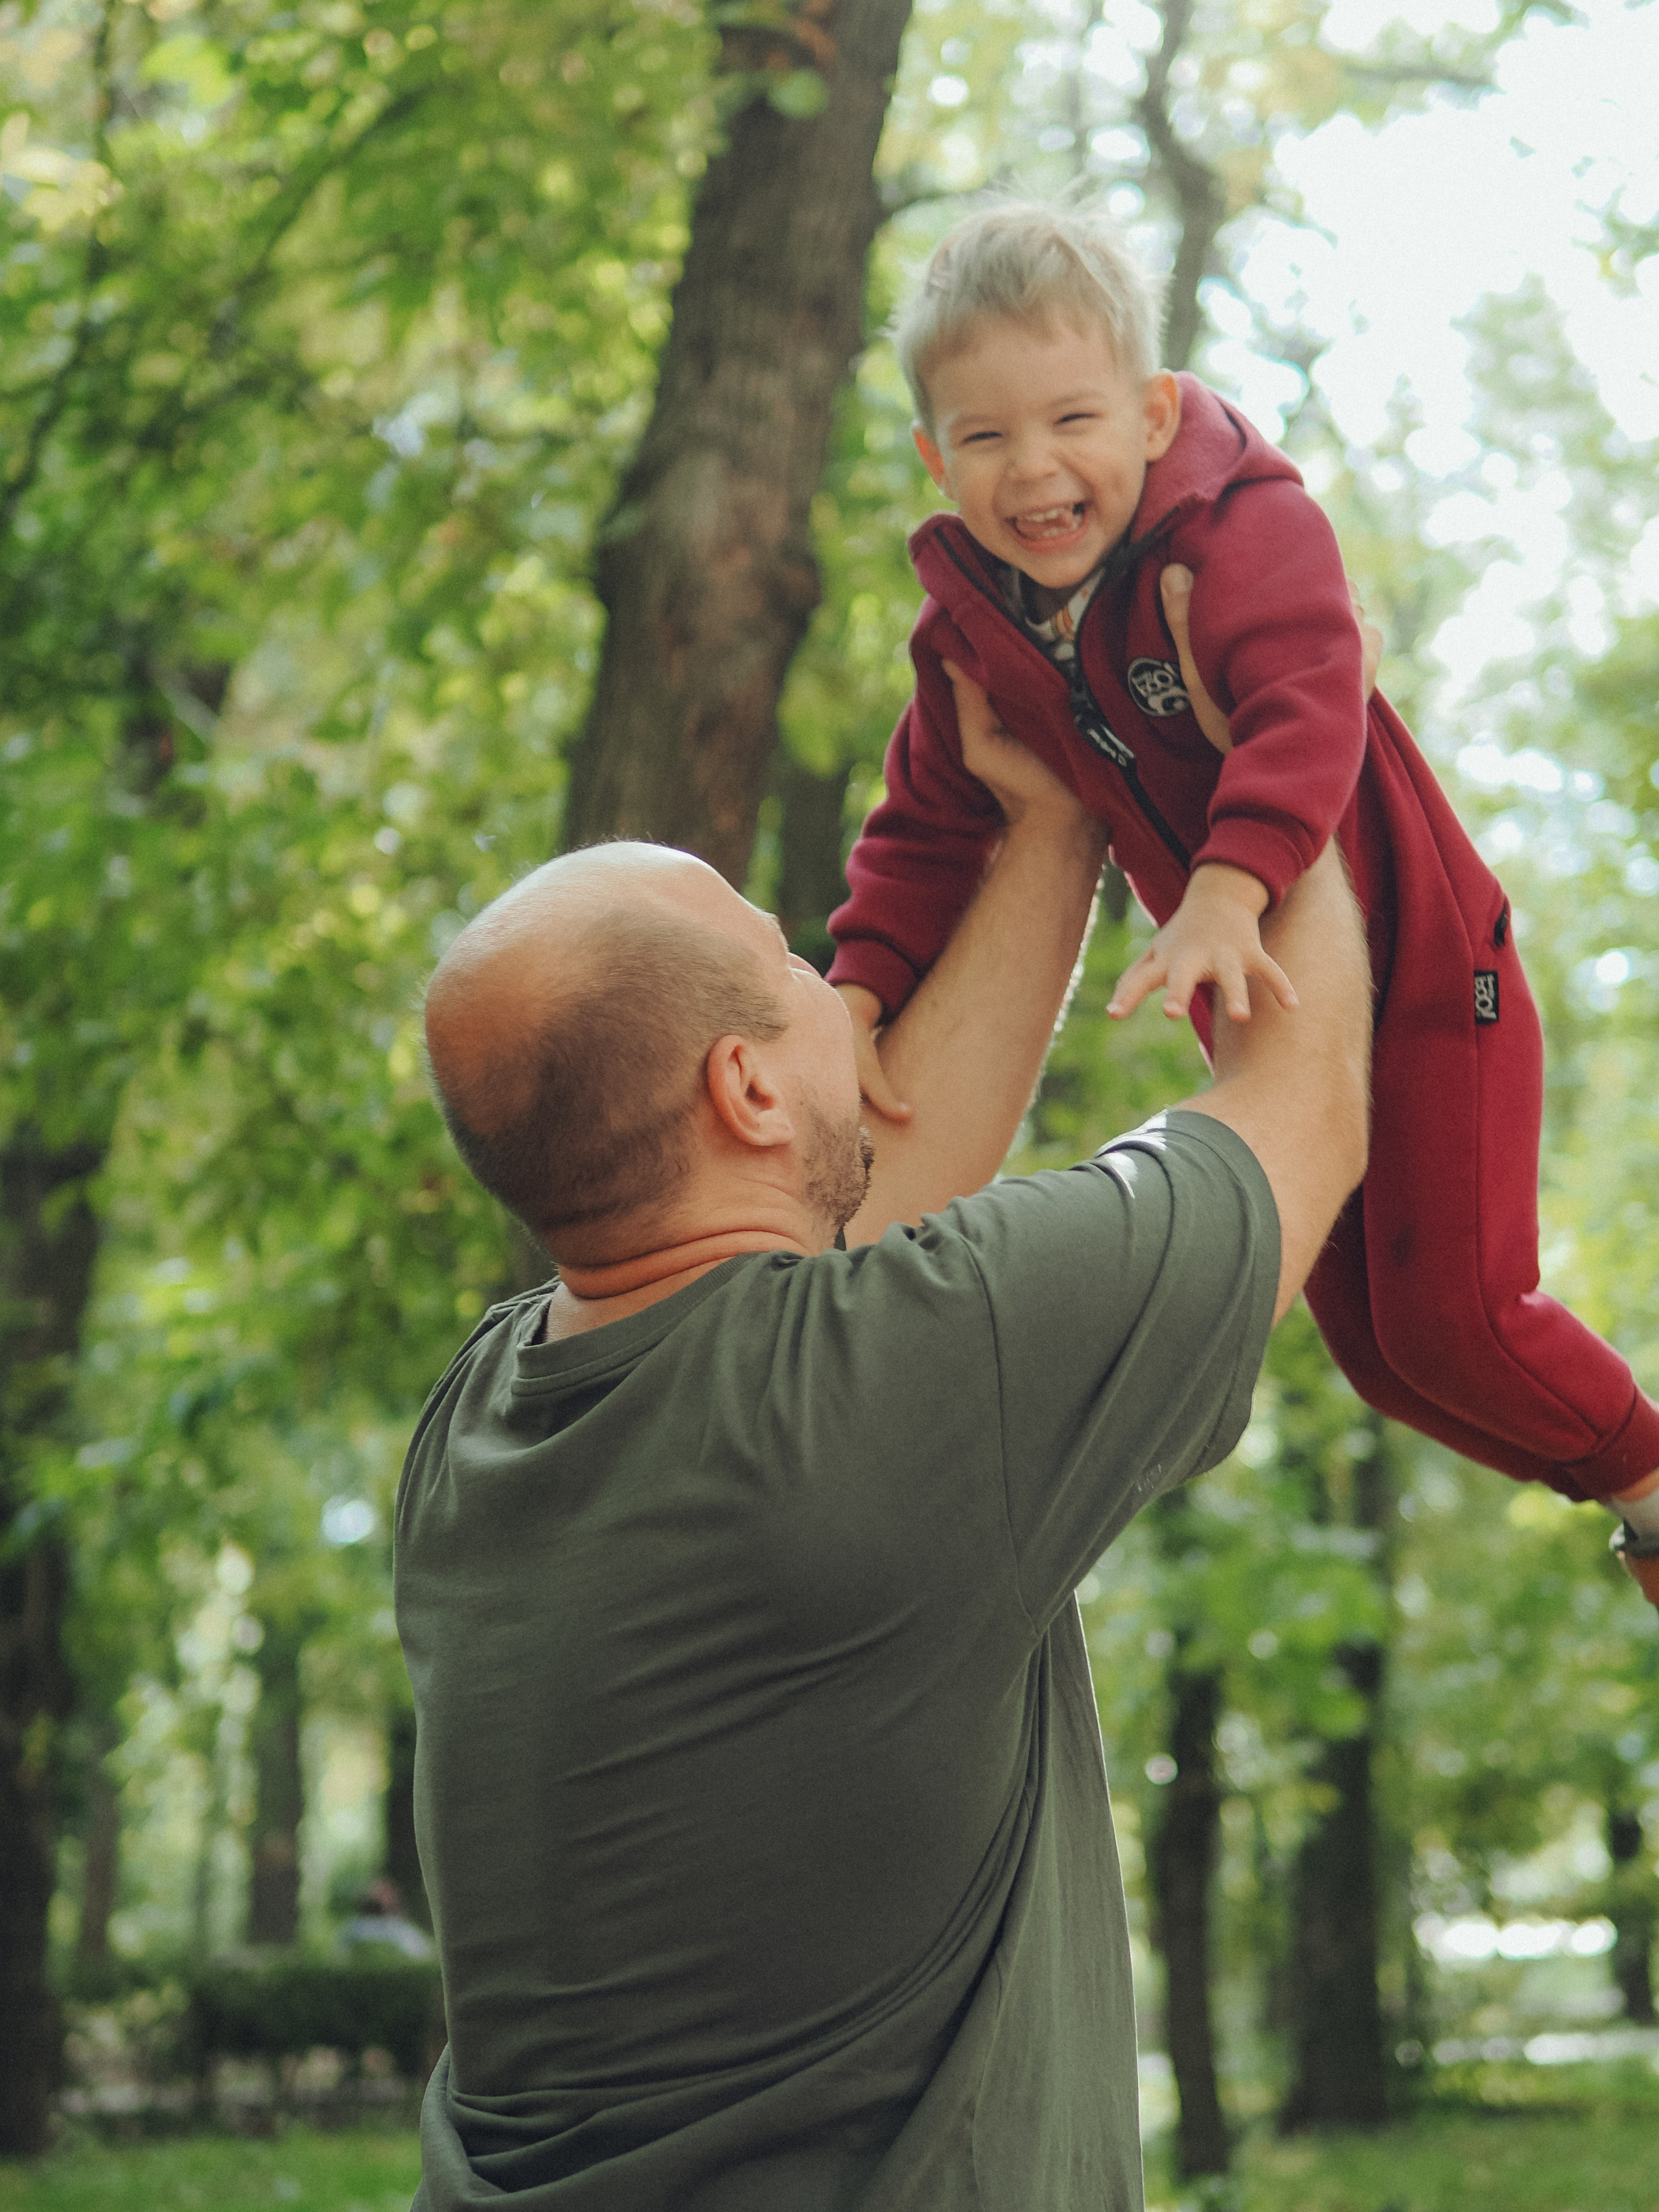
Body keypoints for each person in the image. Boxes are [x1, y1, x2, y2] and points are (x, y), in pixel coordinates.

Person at [399, 585, 1373, 2209]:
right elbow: (1306, 1093)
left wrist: (1051, 821)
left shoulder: (484, 1423)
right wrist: (1280, 707)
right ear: (746, 1085)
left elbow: (860, 1196)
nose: (816, 964)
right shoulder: (896, 1384)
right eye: (780, 956)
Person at [824, 199, 1659, 1574]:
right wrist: (860, 984)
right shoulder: (971, 626)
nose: (1032, 470)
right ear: (932, 455)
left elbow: (1305, 707)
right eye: (983, 438)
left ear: (1151, 415)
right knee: (1381, 1362)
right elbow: (924, 820)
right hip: (1267, 1001)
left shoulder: (1240, 530)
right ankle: (1627, 1492)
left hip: (1429, 971)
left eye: (1070, 421)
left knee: (1456, 1319)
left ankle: (1645, 1477)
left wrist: (1223, 883)